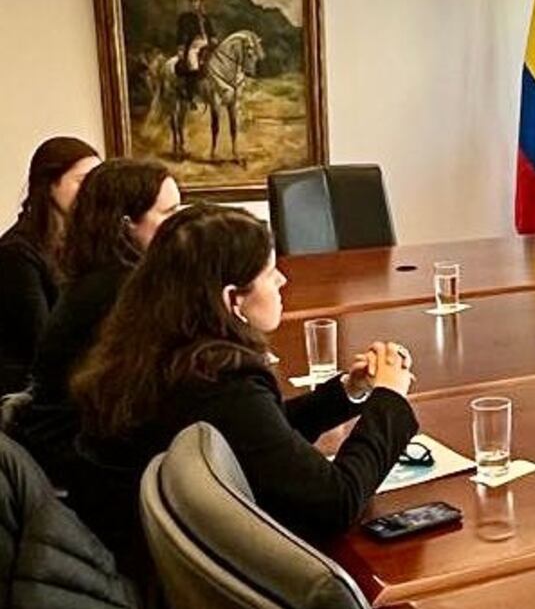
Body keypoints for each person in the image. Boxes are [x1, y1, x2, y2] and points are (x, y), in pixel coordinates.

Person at [73, 204, 418, 548]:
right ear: (232, 299)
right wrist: (389, 400)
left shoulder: (157, 347)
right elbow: (334, 503)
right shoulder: (218, 379)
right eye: (269, 273)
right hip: (176, 569)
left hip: (131, 547)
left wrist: (347, 392)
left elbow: (258, 436)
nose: (282, 280)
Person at [11, 160, 180, 474]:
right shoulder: (120, 290)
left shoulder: (102, 277)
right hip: (80, 460)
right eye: (169, 213)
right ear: (127, 224)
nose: (181, 226)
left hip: (77, 445)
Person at [0, 137, 100, 395]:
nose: (92, 192)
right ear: (49, 184)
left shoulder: (85, 243)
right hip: (30, 392)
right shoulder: (16, 252)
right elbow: (41, 341)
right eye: (82, 181)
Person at [175, 0, 217, 102]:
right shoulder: (185, 18)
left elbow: (211, 32)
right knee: (193, 64)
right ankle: (191, 93)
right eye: (193, 1)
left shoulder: (205, 17)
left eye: (197, 1)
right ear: (190, 3)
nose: (195, 4)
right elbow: (181, 34)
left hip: (207, 45)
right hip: (193, 46)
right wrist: (181, 48)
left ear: (200, 3)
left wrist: (213, 38)